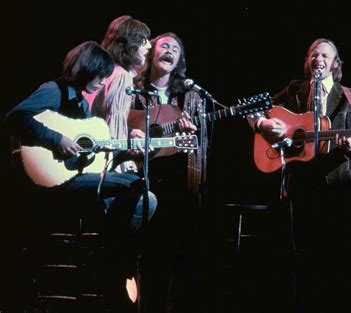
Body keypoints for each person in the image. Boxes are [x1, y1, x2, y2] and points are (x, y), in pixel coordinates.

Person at [4, 41, 157, 313]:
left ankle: (106, 254)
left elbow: (91, 155)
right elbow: (14, 118)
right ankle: (107, 260)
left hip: (72, 178)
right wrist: (56, 138)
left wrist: (127, 151)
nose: (103, 82)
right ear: (88, 69)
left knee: (138, 189)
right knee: (136, 190)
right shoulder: (55, 91)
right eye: (101, 76)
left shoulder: (82, 107)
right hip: (50, 183)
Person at [249, 38, 351, 312]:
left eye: (325, 55)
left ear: (335, 64)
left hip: (336, 181)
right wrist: (264, 123)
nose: (318, 59)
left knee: (334, 254)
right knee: (298, 253)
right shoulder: (294, 90)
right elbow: (254, 111)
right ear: (308, 61)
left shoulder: (350, 95)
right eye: (314, 54)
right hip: (299, 182)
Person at [131, 32, 208, 313]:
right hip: (139, 176)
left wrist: (192, 132)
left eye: (176, 49)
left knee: (175, 256)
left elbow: (198, 145)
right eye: (164, 46)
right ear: (151, 53)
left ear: (179, 61)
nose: (170, 51)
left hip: (176, 183)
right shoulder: (132, 89)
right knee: (144, 256)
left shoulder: (190, 97)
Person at [90, 15, 152, 174]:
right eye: (144, 40)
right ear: (131, 44)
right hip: (104, 165)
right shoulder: (122, 77)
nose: (149, 45)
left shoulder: (103, 71)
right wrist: (124, 165)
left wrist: (129, 130)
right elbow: (113, 130)